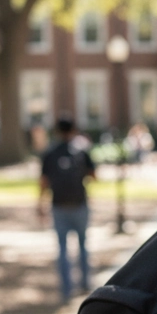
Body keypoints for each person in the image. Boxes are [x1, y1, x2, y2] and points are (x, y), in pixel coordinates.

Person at [38, 114, 96, 302]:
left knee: (62, 247)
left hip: (58, 205)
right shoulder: (82, 150)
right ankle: (85, 282)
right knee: (82, 244)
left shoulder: (50, 152)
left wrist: (39, 203)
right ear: (73, 130)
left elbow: (44, 182)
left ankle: (66, 289)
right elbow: (94, 175)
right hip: (79, 203)